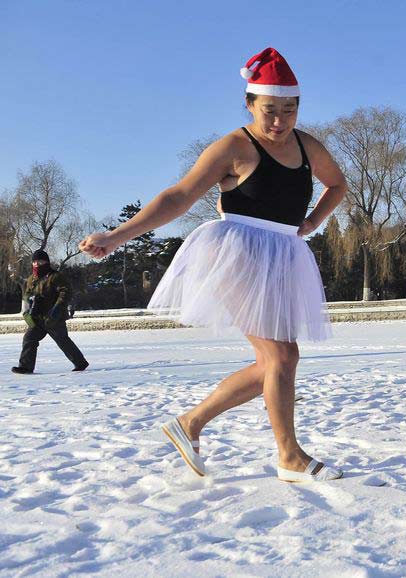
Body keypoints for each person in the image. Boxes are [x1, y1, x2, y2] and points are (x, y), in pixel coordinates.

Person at [79, 48, 348, 482]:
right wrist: (117, 236)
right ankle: (289, 457)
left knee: (279, 359)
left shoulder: (307, 144)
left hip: (283, 251)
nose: (279, 121)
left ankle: (190, 425)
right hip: (236, 250)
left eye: (289, 110)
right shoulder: (234, 146)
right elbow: (179, 196)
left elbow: (337, 184)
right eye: (270, 111)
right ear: (249, 104)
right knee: (279, 355)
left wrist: (313, 221)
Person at [11, 249, 89, 374]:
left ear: (46, 262)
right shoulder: (31, 279)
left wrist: (57, 309)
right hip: (37, 318)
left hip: (54, 317)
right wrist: (27, 313)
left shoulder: (55, 276)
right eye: (34, 262)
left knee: (63, 341)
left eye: (40, 262)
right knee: (29, 338)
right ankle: (26, 367)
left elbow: (66, 292)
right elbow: (26, 296)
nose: (37, 264)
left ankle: (80, 362)